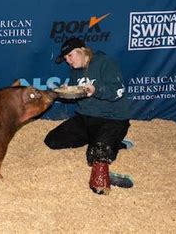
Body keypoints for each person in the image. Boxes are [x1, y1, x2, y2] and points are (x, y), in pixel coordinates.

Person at [45, 37, 134, 195]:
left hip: (112, 119)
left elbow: (119, 91)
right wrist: (68, 90)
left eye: (70, 56)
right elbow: (78, 94)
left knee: (97, 154)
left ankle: (105, 156)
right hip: (85, 118)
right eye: (66, 59)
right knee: (52, 140)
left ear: (82, 50)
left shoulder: (105, 62)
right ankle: (108, 142)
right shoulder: (75, 70)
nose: (68, 61)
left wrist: (96, 89)